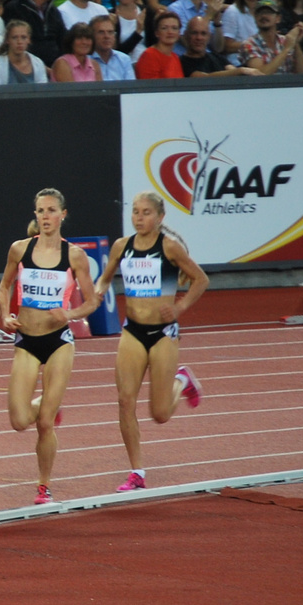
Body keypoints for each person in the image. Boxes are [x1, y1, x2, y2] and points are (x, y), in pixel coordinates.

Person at [93, 191, 207, 492]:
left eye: (146, 213)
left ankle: (181, 380)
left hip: (162, 334)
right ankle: (136, 472)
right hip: (132, 331)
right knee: (124, 400)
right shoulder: (122, 246)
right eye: (135, 212)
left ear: (160, 217)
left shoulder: (169, 248)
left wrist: (180, 307)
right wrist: (95, 293)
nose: (139, 218)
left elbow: (201, 279)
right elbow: (105, 278)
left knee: (159, 414)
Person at [0, 189, 100, 504]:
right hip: (27, 339)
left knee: (43, 424)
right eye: (40, 210)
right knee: (18, 420)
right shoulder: (19, 250)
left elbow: (93, 301)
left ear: (63, 214)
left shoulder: (74, 255)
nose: (45, 216)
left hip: (58, 342)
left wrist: (69, 313)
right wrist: (5, 314)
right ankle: (47, 405)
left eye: (51, 210)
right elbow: (4, 285)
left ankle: (44, 486)